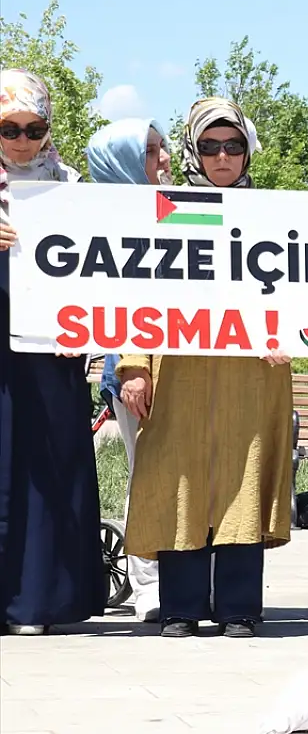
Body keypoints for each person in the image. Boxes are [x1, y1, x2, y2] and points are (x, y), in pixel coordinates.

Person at [115, 97, 293, 639]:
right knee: (179, 481)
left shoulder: (276, 217)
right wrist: (134, 365)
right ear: (194, 150)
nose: (222, 156)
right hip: (178, 373)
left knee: (244, 479)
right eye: (210, 145)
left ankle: (239, 608)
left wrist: (293, 333)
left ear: (247, 152)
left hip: (252, 376)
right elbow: (134, 289)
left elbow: (302, 287)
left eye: (233, 145)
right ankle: (181, 607)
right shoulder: (163, 212)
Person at [0, 68, 104, 635]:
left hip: (51, 352)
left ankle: (37, 603)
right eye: (8, 128)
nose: (22, 141)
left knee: (48, 470)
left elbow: (100, 270)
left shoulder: (70, 185)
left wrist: (86, 330)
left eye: (33, 129)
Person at [86, 118, 172, 624]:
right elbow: (113, 301)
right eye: (151, 151)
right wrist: (128, 366)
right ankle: (148, 586)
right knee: (147, 476)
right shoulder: (97, 219)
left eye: (162, 148)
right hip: (133, 369)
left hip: (181, 366)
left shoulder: (172, 209)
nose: (164, 159)